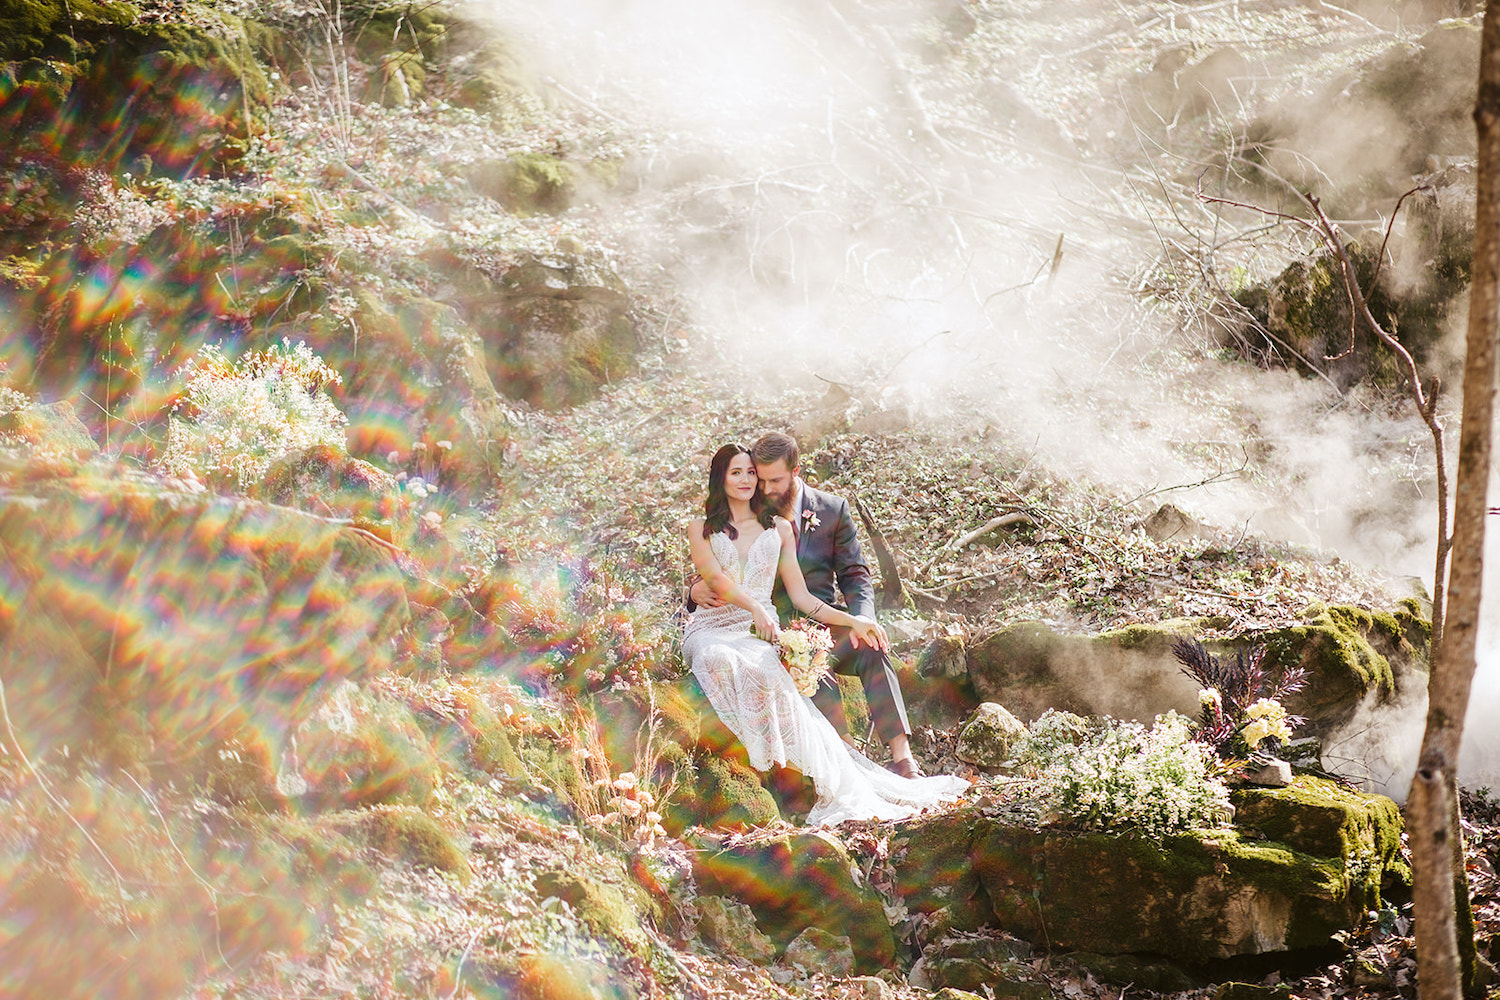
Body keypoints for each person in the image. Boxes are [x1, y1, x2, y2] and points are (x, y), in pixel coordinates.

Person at [681, 443, 967, 826]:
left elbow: (823, 588)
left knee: (817, 657)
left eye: (756, 474)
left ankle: (895, 761)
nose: (753, 482)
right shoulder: (703, 527)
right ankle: (779, 767)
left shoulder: (798, 521)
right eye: (741, 473)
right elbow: (714, 576)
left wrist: (856, 620)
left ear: (793, 471)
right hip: (736, 625)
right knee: (735, 659)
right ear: (721, 477)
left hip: (786, 625)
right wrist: (706, 595)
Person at [690, 432, 925, 777]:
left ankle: (903, 757)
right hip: (774, 625)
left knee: (871, 648)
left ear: (796, 471)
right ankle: (845, 750)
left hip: (823, 616)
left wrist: (859, 619)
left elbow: (855, 574)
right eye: (759, 477)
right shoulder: (753, 504)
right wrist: (694, 590)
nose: (766, 489)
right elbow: (722, 565)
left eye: (774, 480)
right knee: (804, 658)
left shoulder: (831, 510)